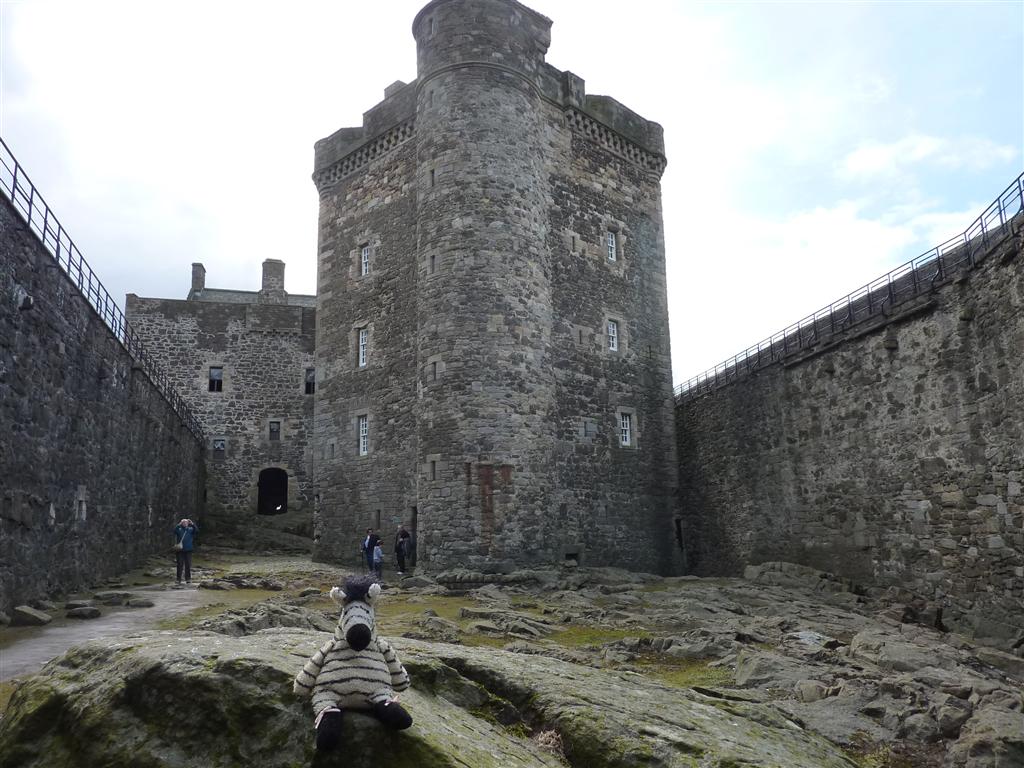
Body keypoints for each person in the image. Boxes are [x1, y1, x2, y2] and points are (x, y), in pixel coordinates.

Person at [173, 518, 198, 585]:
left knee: (188, 565)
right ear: (181, 523)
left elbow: (196, 530)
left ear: (188, 523)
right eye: (183, 522)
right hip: (180, 550)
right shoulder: (179, 529)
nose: (185, 523)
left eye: (186, 522)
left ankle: (188, 579)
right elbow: (174, 531)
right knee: (179, 565)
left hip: (188, 550)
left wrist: (192, 524)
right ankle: (178, 579)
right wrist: (179, 524)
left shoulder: (190, 529)